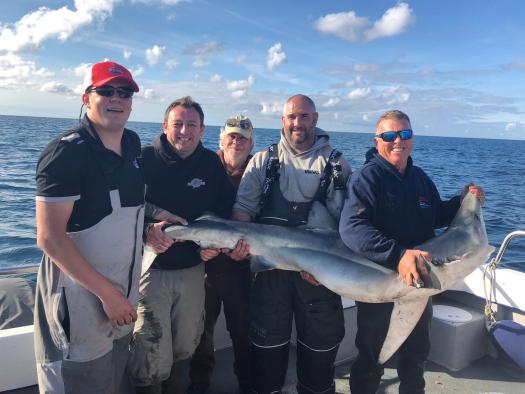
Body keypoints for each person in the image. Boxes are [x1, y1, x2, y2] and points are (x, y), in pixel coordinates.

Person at [338, 110, 485, 394]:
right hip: (382, 283)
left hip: (421, 283)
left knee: (417, 354)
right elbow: (352, 227)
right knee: (372, 356)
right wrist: (398, 255)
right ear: (377, 140)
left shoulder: (419, 178)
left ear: (412, 138)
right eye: (389, 136)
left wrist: (463, 200)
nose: (398, 141)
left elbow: (436, 215)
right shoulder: (367, 178)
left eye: (404, 134)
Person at [34, 61, 146, 394]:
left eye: (124, 92)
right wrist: (108, 295)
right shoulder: (65, 152)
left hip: (122, 299)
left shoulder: (133, 145)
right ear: (86, 98)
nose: (117, 98)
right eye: (106, 90)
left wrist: (153, 224)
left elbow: (132, 210)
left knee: (110, 383)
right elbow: (50, 238)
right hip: (79, 300)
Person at [232, 95, 352, 394]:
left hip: (318, 276)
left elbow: (347, 226)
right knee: (267, 353)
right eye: (291, 117)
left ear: (315, 119)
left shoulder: (335, 163)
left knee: (320, 354)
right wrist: (238, 243)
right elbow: (242, 210)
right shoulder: (263, 161)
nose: (297, 122)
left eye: (303, 116)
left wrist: (330, 271)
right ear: (282, 121)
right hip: (269, 271)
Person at [128, 96, 236, 394]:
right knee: (149, 347)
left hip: (193, 269)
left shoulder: (211, 164)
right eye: (178, 124)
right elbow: (122, 207)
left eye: (192, 125)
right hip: (150, 268)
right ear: (165, 126)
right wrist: (148, 229)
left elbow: (223, 212)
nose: (184, 131)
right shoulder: (143, 158)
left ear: (202, 130)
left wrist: (215, 245)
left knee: (184, 346)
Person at [187, 115, 255, 394]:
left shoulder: (260, 172)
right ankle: (199, 383)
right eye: (231, 136)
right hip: (206, 267)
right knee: (202, 332)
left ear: (251, 143)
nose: (236, 141)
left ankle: (248, 383)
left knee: (243, 331)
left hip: (242, 268)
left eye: (242, 137)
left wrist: (248, 254)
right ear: (220, 139)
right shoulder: (203, 167)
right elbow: (189, 215)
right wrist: (197, 251)